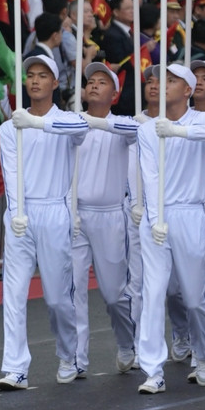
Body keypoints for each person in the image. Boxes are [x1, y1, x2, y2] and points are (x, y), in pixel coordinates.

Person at [0, 55, 89, 390]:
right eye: (30, 75)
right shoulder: (10, 128)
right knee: (14, 293)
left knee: (57, 297)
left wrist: (35, 124)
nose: (35, 81)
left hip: (54, 212)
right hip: (21, 215)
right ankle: (15, 367)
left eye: (42, 76)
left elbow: (79, 129)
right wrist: (16, 211)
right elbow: (11, 172)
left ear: (55, 83)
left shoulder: (68, 120)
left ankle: (68, 354)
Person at [135, 63, 205, 394]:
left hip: (191, 215)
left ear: (188, 90)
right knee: (153, 293)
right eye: (161, 79)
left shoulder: (203, 120)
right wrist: (155, 216)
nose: (162, 85)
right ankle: (153, 370)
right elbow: (151, 175)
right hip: (157, 217)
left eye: (172, 81)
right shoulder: (147, 130)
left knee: (193, 298)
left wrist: (178, 132)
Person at [71, 62, 140, 375]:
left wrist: (94, 123)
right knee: (72, 291)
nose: (94, 85)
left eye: (102, 82)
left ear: (115, 94)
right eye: (90, 81)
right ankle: (74, 359)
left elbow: (134, 132)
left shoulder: (123, 125)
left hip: (111, 217)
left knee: (114, 296)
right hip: (75, 216)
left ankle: (128, 343)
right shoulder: (72, 122)